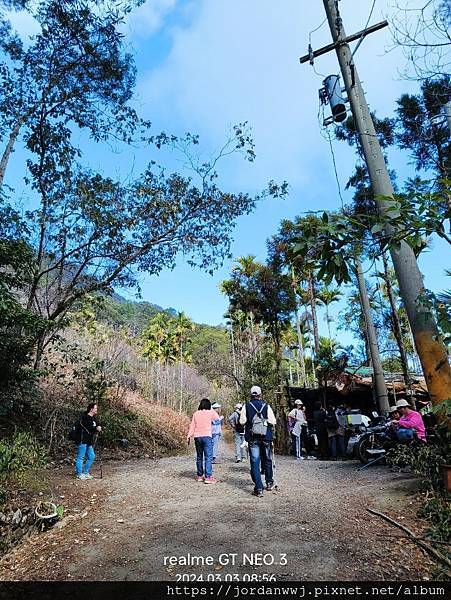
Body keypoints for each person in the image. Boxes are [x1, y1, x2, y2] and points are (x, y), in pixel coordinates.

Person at [239, 385, 277, 497]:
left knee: (255, 461)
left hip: (252, 437)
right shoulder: (266, 406)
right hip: (266, 437)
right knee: (267, 459)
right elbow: (273, 421)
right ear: (260, 395)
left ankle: (259, 488)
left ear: (251, 395)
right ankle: (269, 482)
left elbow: (242, 421)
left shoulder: (246, 406)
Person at [187, 398, 221, 484]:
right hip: (207, 436)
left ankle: (199, 476)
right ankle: (208, 477)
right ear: (209, 405)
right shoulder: (210, 412)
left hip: (197, 437)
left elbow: (192, 425)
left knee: (199, 456)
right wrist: (212, 409)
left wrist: (189, 435)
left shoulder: (196, 413)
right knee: (208, 457)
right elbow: (217, 418)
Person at [75, 403, 102, 480]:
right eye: (95, 408)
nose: (96, 410)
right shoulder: (85, 418)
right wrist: (96, 428)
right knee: (81, 457)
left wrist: (99, 426)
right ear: (91, 409)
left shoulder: (93, 418)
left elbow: (98, 423)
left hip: (88, 441)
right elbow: (89, 428)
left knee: (91, 456)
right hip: (82, 440)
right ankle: (79, 474)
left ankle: (86, 472)